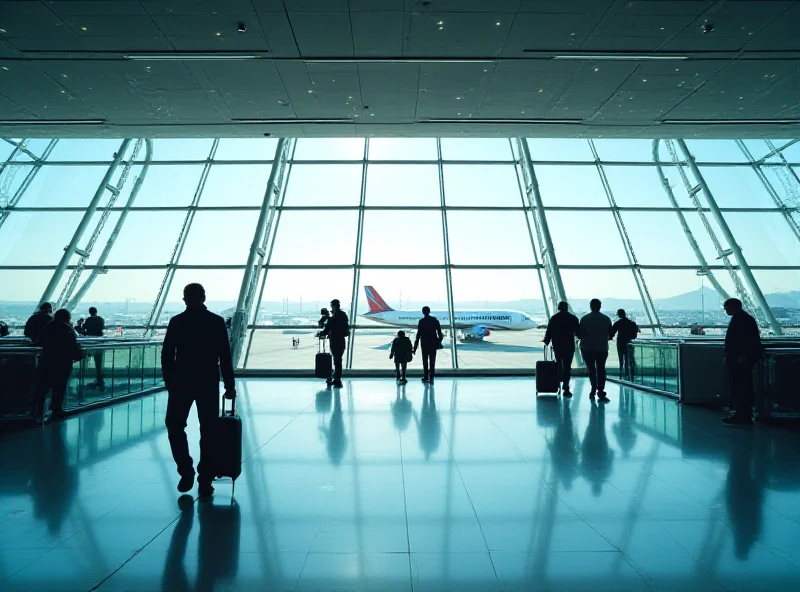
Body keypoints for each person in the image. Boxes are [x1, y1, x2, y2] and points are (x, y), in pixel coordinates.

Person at [162, 283, 236, 497]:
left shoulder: (177, 322)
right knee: (209, 430)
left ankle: (186, 471)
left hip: (181, 382)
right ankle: (205, 478)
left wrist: (169, 382)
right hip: (207, 381)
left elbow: (167, 354)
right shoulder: (215, 322)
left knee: (175, 426)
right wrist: (229, 385)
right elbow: (224, 356)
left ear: (184, 299)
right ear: (204, 297)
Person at [33, 308, 83, 421]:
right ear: (67, 318)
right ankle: (57, 410)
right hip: (63, 363)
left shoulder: (47, 327)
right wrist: (80, 355)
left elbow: (39, 342)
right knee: (59, 388)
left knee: (42, 388)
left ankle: (39, 412)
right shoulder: (68, 329)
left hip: (46, 361)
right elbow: (73, 348)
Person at [721, 298, 761, 426]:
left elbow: (744, 340)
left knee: (740, 386)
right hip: (739, 359)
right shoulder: (744, 318)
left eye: (726, 308)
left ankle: (742, 414)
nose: (725, 310)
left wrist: (743, 355)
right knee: (742, 386)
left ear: (733, 307)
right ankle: (743, 413)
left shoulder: (741, 319)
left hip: (739, 360)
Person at [543, 301, 580, 397]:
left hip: (557, 346)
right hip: (569, 345)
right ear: (567, 308)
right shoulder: (573, 318)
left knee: (559, 364)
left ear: (558, 308)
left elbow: (549, 333)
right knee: (567, 366)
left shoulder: (554, 318)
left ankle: (558, 384)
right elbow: (578, 333)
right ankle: (566, 387)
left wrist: (546, 341)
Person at [579, 299, 613, 402]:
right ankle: (601, 389)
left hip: (588, 348)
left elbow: (580, 334)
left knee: (591, 369)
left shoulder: (585, 319)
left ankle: (593, 388)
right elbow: (610, 334)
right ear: (600, 306)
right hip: (602, 348)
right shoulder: (606, 319)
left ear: (590, 306)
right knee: (601, 369)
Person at [320, 299, 349, 389]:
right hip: (339, 341)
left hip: (336, 341)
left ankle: (337, 379)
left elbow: (330, 326)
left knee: (337, 360)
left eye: (332, 306)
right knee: (338, 360)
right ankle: (337, 378)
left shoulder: (337, 317)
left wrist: (328, 319)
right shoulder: (342, 315)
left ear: (334, 306)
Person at [413, 306, 444, 384]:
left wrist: (415, 347)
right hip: (433, 343)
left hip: (424, 343)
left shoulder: (421, 321)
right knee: (432, 360)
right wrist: (438, 341)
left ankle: (426, 376)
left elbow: (418, 334)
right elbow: (440, 333)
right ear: (429, 311)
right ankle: (432, 376)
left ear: (423, 312)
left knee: (425, 360)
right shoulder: (434, 320)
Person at [77, 307, 106, 390]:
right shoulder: (100, 319)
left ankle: (82, 378)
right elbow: (102, 328)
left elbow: (84, 330)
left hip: (89, 343)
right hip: (99, 342)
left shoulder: (88, 320)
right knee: (98, 364)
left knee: (84, 361)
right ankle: (100, 381)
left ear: (89, 312)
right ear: (96, 312)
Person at [610, 309, 640, 380]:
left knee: (621, 360)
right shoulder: (632, 323)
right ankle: (631, 374)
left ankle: (622, 374)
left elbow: (612, 334)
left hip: (620, 344)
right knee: (630, 359)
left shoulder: (617, 323)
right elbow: (635, 335)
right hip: (630, 343)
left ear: (618, 315)